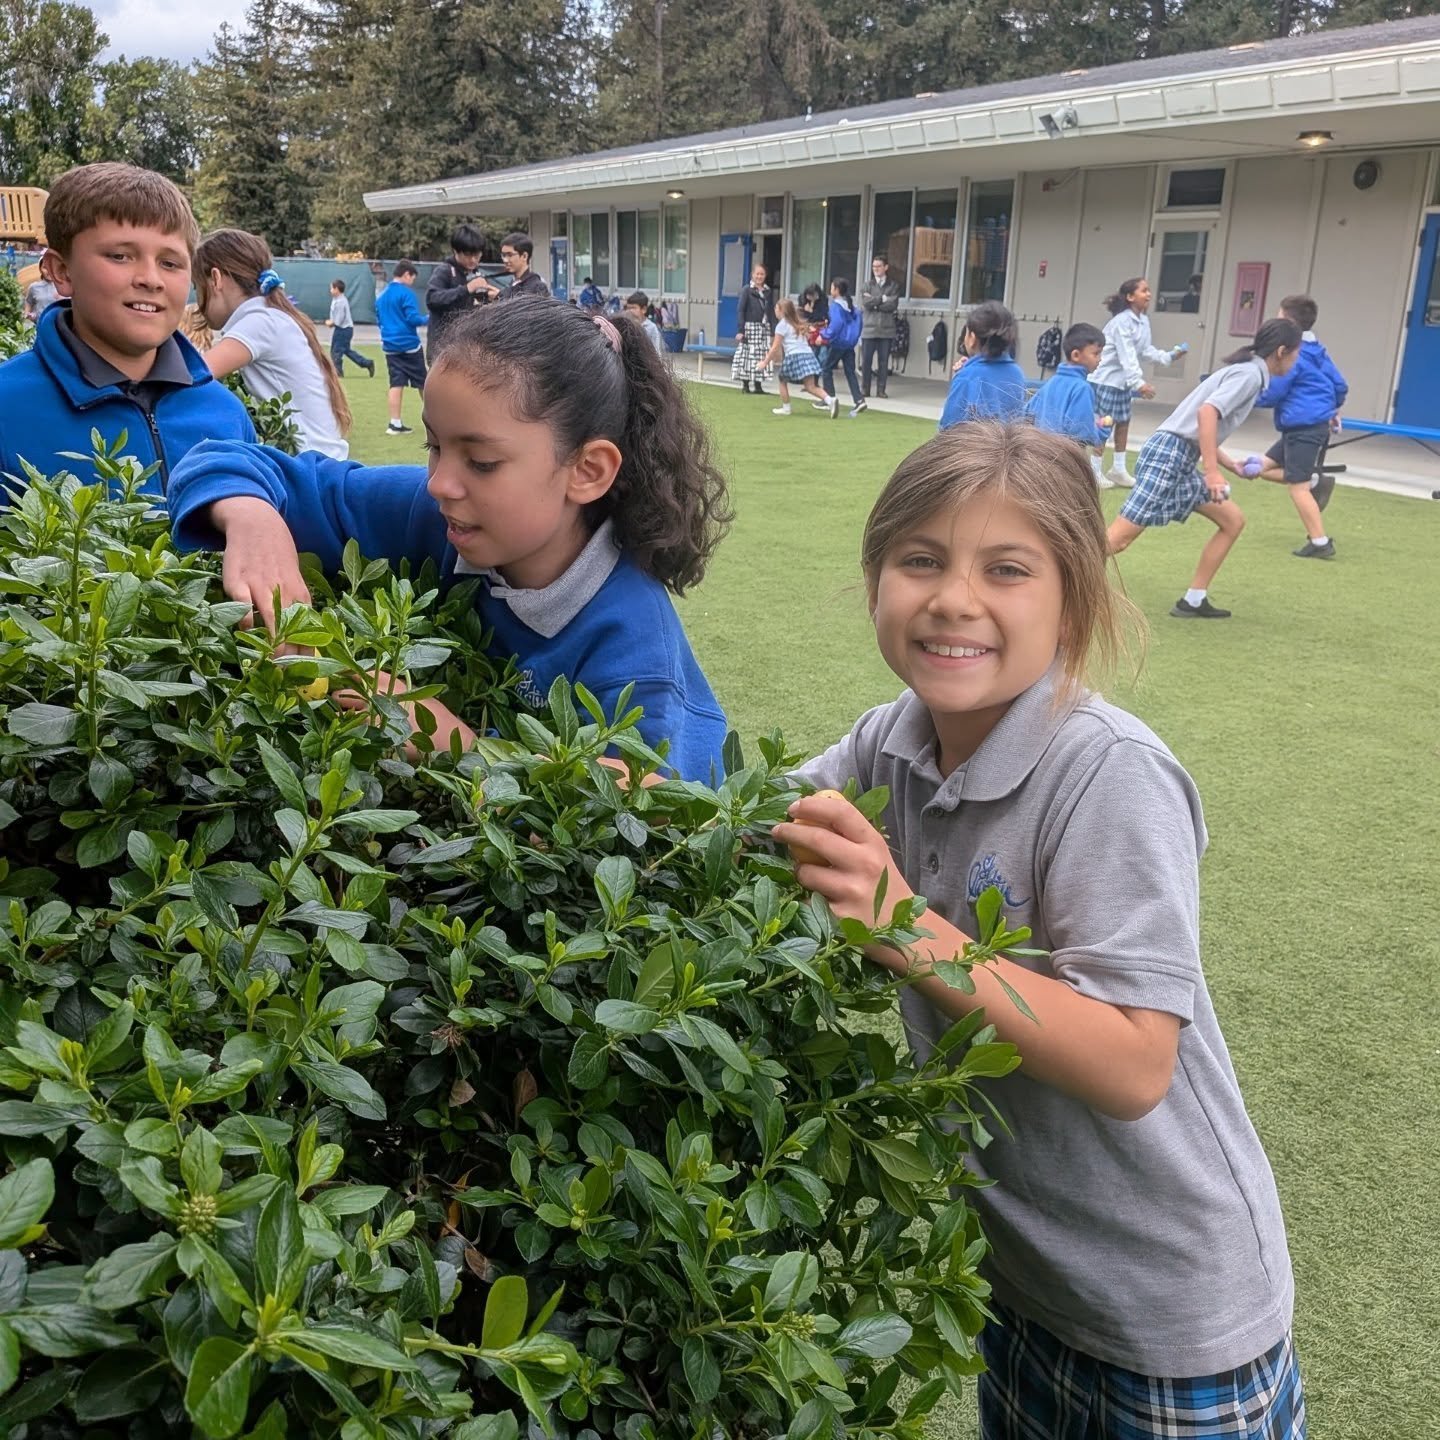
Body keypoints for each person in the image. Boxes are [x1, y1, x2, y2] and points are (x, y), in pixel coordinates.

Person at [773, 421, 1306, 1440]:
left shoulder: (1108, 774)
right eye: (918, 559)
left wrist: (907, 929)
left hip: (1168, 1316)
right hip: (1024, 1287)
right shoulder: (896, 738)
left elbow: (1135, 1062)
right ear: (876, 577)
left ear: (1074, 597)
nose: (953, 598)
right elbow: (746, 815)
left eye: (1007, 568)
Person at [166, 299, 732, 781]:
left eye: (481, 461)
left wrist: (458, 748)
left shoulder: (638, 660)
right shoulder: (434, 512)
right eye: (433, 446)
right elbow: (223, 459)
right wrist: (254, 521)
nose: (440, 483)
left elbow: (644, 832)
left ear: (586, 471)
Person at [0, 162, 253, 498]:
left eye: (170, 263)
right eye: (120, 256)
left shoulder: (226, 414)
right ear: (61, 271)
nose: (150, 278)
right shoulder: (8, 406)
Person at [1108, 317, 1301, 620]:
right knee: (1118, 539)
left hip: (1180, 456)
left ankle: (1193, 600)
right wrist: (1212, 472)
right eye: (1296, 353)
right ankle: (1056, 582)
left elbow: (1202, 427)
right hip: (1169, 456)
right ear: (1281, 351)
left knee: (1233, 520)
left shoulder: (1248, 371)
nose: (1296, 360)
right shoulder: (1250, 375)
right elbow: (1207, 414)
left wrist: (1230, 465)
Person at [194, 228, 352, 461]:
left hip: (310, 471)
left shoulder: (259, 322)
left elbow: (192, 377)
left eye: (196, 286)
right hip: (320, 466)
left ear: (216, 279)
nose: (197, 300)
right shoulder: (271, 317)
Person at [1250, 294, 1348, 560]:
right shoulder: (1319, 351)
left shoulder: (1294, 354)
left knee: (1298, 487)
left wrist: (1245, 399)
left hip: (1303, 427)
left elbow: (1275, 391)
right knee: (1261, 466)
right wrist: (1332, 409)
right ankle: (1312, 478)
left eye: (1279, 317)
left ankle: (1320, 542)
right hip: (1304, 427)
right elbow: (1340, 385)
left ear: (1289, 323)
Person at [1090, 277, 1183, 488]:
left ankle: (1119, 470)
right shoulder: (1122, 322)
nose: (1149, 294)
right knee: (1105, 425)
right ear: (1131, 297)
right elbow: (1127, 355)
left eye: (1149, 290)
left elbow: (1145, 350)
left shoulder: (1143, 321)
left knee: (1123, 423)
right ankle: (1094, 471)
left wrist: (1168, 357)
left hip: (1121, 382)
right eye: (1144, 291)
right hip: (1106, 380)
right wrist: (1139, 384)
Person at [1024, 321, 1112, 487]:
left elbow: (1026, 414)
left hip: (1038, 458)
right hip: (1065, 463)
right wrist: (1102, 429)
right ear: (1076, 355)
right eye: (1096, 354)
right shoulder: (1082, 388)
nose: (1100, 359)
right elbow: (1081, 433)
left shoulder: (1051, 382)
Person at [938, 301, 1026, 431]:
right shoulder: (1017, 373)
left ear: (972, 338)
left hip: (974, 449)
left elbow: (949, 428)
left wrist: (964, 374)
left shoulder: (968, 377)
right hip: (1009, 448)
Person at [375, 260, 428, 436]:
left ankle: (394, 423)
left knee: (396, 383)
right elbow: (413, 319)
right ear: (407, 274)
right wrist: (429, 318)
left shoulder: (382, 296)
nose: (412, 281)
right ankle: (435, 419)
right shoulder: (406, 294)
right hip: (409, 345)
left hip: (390, 345)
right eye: (412, 277)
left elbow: (379, 320)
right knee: (423, 382)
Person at [424, 223, 490, 364]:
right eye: (467, 255)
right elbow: (432, 299)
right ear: (455, 251)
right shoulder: (444, 271)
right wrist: (466, 289)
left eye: (477, 255)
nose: (473, 260)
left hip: (467, 346)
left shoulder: (477, 273)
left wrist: (488, 298)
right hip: (442, 349)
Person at [763, 298, 829, 416]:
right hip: (808, 355)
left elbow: (775, 347)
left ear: (782, 311)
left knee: (782, 380)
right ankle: (831, 400)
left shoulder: (781, 325)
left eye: (776, 308)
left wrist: (765, 362)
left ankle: (786, 408)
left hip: (794, 356)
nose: (775, 310)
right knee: (811, 386)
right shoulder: (797, 322)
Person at [816, 277, 863, 418]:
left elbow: (835, 326)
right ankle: (859, 399)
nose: (830, 290)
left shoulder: (836, 306)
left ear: (836, 290)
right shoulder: (850, 306)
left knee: (826, 368)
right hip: (849, 343)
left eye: (832, 287)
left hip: (838, 342)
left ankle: (830, 399)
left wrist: (823, 335)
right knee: (849, 371)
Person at [859, 253, 901, 400]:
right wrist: (881, 299)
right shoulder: (867, 285)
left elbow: (892, 305)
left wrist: (875, 302)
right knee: (866, 361)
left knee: (883, 362)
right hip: (869, 329)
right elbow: (866, 303)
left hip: (886, 330)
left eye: (878, 266)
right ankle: (865, 389)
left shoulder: (893, 285)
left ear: (886, 267)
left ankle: (881, 390)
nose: (875, 269)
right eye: (873, 266)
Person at [731, 262, 775, 395]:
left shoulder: (768, 291)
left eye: (762, 274)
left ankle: (758, 385)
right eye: (757, 274)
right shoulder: (746, 290)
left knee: (761, 355)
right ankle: (745, 385)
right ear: (752, 275)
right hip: (749, 327)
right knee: (747, 355)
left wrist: (772, 330)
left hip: (763, 328)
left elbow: (771, 311)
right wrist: (740, 330)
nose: (759, 276)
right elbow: (740, 310)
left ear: (765, 275)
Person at [476, 232, 550, 303]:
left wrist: (500, 297)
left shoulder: (537, 286)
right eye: (503, 255)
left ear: (524, 256)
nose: (505, 260)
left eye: (510, 255)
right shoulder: (512, 283)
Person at [325, 279, 374, 379]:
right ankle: (367, 363)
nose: (330, 290)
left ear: (337, 289)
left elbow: (338, 321)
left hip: (343, 330)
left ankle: (338, 372)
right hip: (344, 329)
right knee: (346, 351)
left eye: (332, 288)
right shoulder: (337, 300)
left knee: (336, 351)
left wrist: (330, 323)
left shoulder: (340, 302)